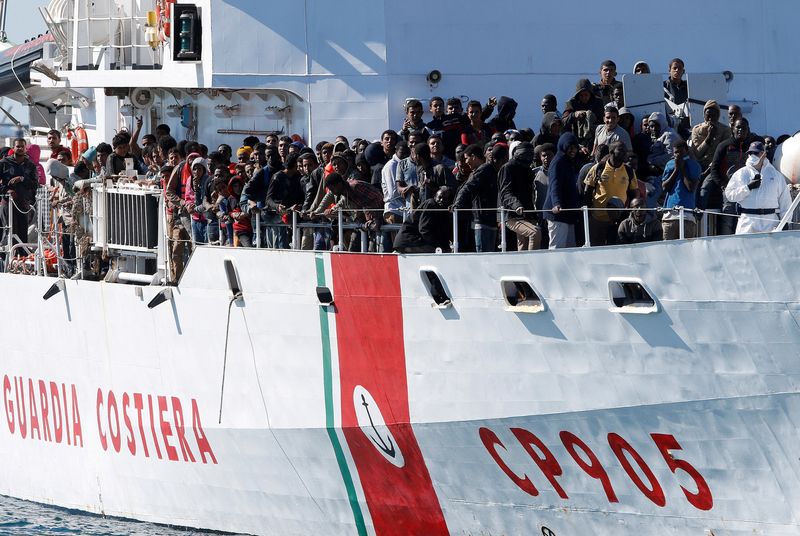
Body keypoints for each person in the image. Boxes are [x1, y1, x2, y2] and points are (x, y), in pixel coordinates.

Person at [700, 117, 761, 234]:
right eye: (738, 127)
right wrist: (723, 185)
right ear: (732, 129)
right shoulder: (724, 146)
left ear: (748, 130)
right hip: (730, 189)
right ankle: (726, 247)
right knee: (727, 219)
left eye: (744, 128)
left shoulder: (752, 148)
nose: (740, 130)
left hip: (749, 190)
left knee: (746, 219)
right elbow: (714, 170)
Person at [724, 141, 791, 234]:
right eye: (750, 153)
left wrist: (785, 222)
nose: (752, 155)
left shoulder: (775, 175)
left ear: (763, 154)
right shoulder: (741, 173)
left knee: (770, 248)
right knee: (745, 248)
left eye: (756, 153)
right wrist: (747, 188)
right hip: (747, 222)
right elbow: (730, 195)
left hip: (770, 222)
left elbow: (785, 201)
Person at [452, 144, 506, 252]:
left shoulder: (483, 170)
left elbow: (468, 187)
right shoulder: (490, 170)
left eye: (467, 158)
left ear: (473, 157)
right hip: (489, 219)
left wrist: (457, 204)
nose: (466, 162)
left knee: (483, 255)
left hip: (482, 220)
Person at [584, 141, 639, 246]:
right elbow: (587, 191)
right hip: (598, 219)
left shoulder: (629, 171)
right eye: (621, 150)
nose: (625, 153)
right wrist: (590, 212)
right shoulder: (598, 168)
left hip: (618, 220)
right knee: (596, 249)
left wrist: (629, 211)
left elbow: (634, 193)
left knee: (616, 248)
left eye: (626, 150)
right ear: (612, 152)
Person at [499, 142, 541, 250]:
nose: (529, 158)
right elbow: (505, 192)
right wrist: (516, 205)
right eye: (526, 155)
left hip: (527, 214)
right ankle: (532, 263)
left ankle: (524, 265)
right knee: (535, 233)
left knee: (523, 243)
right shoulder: (508, 168)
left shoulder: (527, 170)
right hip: (512, 215)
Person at [543, 133, 582, 248]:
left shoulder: (568, 162)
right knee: (557, 249)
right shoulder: (558, 162)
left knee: (570, 250)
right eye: (570, 147)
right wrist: (556, 203)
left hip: (568, 214)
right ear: (563, 146)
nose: (573, 151)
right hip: (558, 214)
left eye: (575, 148)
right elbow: (554, 184)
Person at [0, 138, 39, 247]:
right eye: (18, 146)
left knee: (22, 233)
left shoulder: (30, 165)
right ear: (13, 148)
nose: (20, 148)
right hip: (8, 203)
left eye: (22, 146)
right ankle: (6, 259)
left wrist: (22, 179)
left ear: (26, 148)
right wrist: (7, 190)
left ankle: (21, 259)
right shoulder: (4, 163)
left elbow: (35, 184)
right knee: (9, 231)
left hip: (23, 204)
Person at [393, 185, 453, 253]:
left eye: (445, 198)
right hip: (409, 241)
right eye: (440, 197)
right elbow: (424, 230)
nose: (441, 200)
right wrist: (439, 246)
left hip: (410, 241)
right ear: (435, 196)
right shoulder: (431, 204)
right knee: (440, 251)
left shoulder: (442, 211)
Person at [661, 140, 701, 239]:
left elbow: (690, 188)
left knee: (687, 250)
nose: (678, 155)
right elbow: (665, 187)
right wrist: (676, 169)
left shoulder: (694, 165)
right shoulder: (670, 165)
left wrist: (683, 169)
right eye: (676, 152)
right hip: (670, 214)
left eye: (681, 152)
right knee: (668, 248)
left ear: (686, 151)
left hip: (687, 215)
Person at [563, 79, 604, 156]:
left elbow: (603, 121)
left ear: (590, 94)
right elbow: (563, 122)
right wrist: (574, 115)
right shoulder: (571, 103)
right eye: (581, 95)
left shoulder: (598, 102)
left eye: (586, 95)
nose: (584, 98)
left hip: (594, 138)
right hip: (576, 139)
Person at [690, 100, 731, 177]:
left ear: (718, 115)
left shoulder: (725, 130)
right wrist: (709, 138)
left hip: (716, 167)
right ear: (704, 115)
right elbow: (697, 154)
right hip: (699, 166)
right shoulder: (696, 129)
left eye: (714, 115)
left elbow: (723, 153)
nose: (710, 119)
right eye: (708, 115)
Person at [663, 58, 690, 139]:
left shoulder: (689, 87)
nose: (677, 70)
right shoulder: (663, 86)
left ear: (683, 71)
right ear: (669, 70)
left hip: (686, 126)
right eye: (674, 68)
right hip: (670, 126)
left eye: (680, 68)